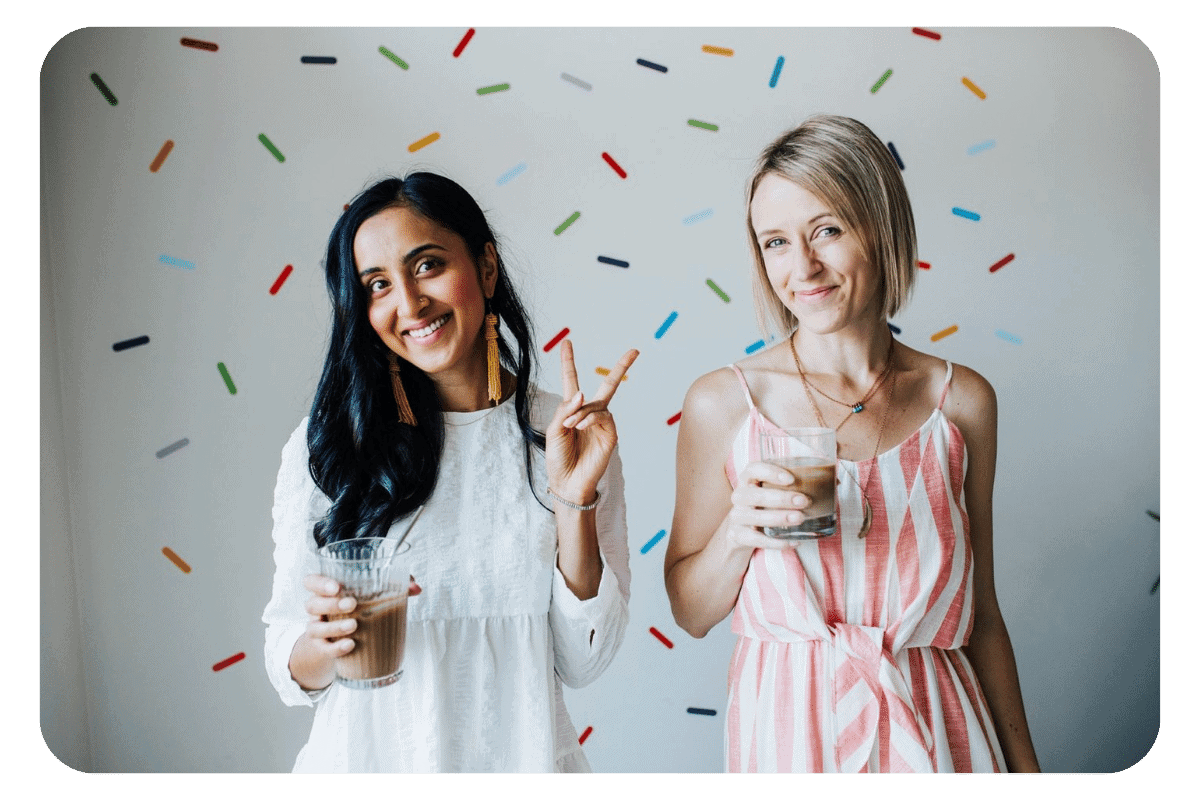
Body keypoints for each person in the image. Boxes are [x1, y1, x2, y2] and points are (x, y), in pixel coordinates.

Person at [664, 115, 1041, 773]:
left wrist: (1027, 770)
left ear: (882, 227)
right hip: (786, 738)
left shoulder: (962, 404)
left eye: (827, 231)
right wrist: (737, 532)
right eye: (775, 242)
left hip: (938, 732)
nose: (802, 266)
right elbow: (691, 614)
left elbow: (981, 616)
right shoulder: (723, 404)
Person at [262, 172, 638, 773]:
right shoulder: (331, 444)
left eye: (428, 265)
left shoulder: (570, 434)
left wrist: (574, 502)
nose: (409, 304)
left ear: (486, 268)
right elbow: (286, 664)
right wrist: (328, 645)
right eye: (378, 284)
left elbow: (583, 662)